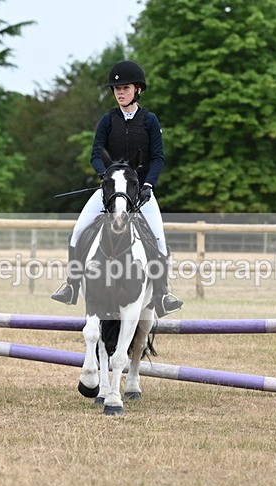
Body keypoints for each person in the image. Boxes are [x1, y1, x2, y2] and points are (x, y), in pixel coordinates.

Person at [51, 60, 183, 316]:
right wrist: (107, 176)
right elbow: (95, 154)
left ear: (138, 90)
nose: (120, 93)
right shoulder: (108, 120)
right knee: (77, 232)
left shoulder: (150, 121)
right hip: (110, 191)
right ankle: (71, 285)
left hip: (140, 192)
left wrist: (147, 184)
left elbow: (157, 158)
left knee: (159, 241)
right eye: (116, 89)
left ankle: (162, 294)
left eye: (125, 88)